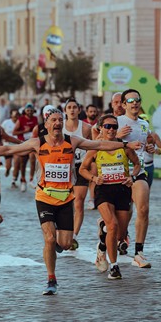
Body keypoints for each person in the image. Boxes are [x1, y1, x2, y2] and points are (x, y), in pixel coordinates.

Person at [0, 108, 141, 295]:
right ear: (47, 124)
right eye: (54, 120)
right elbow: (9, 148)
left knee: (65, 244)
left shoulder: (72, 141)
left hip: (65, 197)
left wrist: (124, 146)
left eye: (61, 119)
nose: (58, 123)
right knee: (49, 239)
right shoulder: (37, 143)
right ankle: (51, 279)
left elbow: (99, 145)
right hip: (44, 196)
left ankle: (59, 245)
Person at [79, 114, 141, 280]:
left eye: (114, 126)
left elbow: (137, 164)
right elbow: (82, 169)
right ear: (101, 128)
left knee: (120, 235)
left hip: (122, 190)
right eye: (108, 126)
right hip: (104, 190)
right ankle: (114, 266)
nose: (112, 130)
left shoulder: (124, 146)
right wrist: (93, 178)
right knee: (113, 225)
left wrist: (132, 177)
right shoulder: (96, 147)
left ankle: (102, 238)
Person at [116, 89, 158, 267]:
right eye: (130, 100)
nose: (135, 103)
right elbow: (99, 141)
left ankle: (139, 252)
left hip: (138, 170)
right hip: (117, 171)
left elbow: (147, 145)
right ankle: (107, 241)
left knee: (143, 208)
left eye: (137, 100)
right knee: (119, 219)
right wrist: (118, 137)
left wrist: (150, 148)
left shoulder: (144, 124)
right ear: (124, 104)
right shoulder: (116, 122)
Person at [62, 98, 93, 250]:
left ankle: (74, 236)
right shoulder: (59, 127)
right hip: (63, 168)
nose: (72, 110)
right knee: (64, 202)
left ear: (79, 110)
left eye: (75, 107)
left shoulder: (86, 128)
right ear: (65, 110)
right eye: (69, 107)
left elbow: (94, 146)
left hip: (81, 167)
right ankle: (62, 232)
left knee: (78, 202)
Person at [12, 103, 38, 191]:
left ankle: (31, 178)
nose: (30, 112)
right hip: (23, 143)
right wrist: (24, 131)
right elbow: (14, 132)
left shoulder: (35, 119)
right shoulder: (20, 119)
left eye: (31, 111)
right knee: (22, 162)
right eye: (28, 110)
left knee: (32, 158)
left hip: (32, 142)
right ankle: (23, 180)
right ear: (25, 111)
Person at [1, 109, 19, 177]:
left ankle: (14, 180)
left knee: (16, 164)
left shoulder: (20, 123)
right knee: (8, 165)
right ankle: (8, 170)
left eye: (17, 115)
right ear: (11, 115)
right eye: (14, 115)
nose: (15, 117)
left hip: (17, 146)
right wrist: (3, 139)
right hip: (7, 146)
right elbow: (0, 132)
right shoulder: (6, 122)